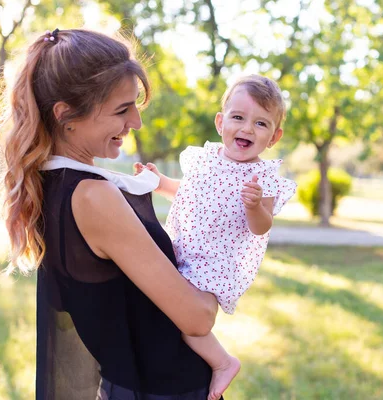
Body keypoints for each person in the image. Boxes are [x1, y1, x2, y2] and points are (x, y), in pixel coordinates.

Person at [0, 28, 221, 400]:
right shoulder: (93, 196)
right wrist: (227, 266)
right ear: (67, 116)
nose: (136, 122)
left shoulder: (53, 183)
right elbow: (197, 317)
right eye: (121, 109)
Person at [134, 75, 297, 400]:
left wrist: (253, 206)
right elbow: (188, 193)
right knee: (160, 307)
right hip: (180, 249)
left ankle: (222, 362)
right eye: (238, 117)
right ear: (221, 122)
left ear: (274, 136)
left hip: (214, 265)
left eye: (261, 123)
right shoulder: (205, 159)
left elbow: (261, 227)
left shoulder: (263, 178)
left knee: (189, 321)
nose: (247, 129)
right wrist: (159, 181)